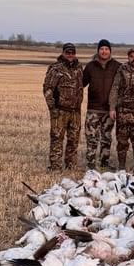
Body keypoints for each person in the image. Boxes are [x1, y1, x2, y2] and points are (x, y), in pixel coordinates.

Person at [42, 43, 83, 171]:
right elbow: (47, 89)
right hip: (60, 110)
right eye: (68, 52)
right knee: (57, 139)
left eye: (72, 52)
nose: (70, 55)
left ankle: (71, 166)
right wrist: (52, 109)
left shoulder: (79, 68)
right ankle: (55, 167)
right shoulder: (56, 68)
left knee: (73, 140)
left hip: (75, 111)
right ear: (63, 53)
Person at [82, 39, 120, 170]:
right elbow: (81, 84)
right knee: (91, 137)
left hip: (109, 109)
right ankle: (91, 163)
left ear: (110, 51)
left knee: (106, 138)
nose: (104, 51)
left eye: (106, 49)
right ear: (98, 51)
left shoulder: (117, 66)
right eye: (102, 49)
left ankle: (104, 162)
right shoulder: (90, 66)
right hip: (93, 108)